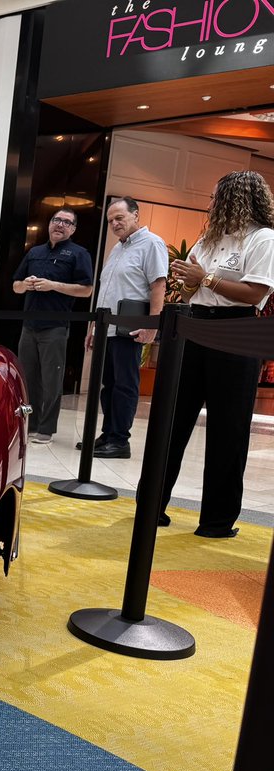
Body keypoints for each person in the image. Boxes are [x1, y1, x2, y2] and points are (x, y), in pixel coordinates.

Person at [157, 170, 274, 538]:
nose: (209, 203)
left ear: (234, 199)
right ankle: (151, 506)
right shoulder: (208, 239)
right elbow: (190, 293)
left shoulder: (263, 238)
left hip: (237, 331)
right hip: (195, 325)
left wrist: (205, 278)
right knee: (172, 420)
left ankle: (216, 521)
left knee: (229, 429)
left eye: (215, 196)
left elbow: (255, 294)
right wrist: (189, 283)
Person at [82, 197, 168, 459]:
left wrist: (153, 325)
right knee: (108, 385)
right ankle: (108, 434)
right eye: (111, 221)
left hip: (129, 330)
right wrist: (93, 327)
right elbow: (106, 291)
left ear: (136, 215)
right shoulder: (117, 248)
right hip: (106, 328)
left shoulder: (152, 243)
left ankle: (120, 440)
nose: (114, 224)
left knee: (125, 385)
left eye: (119, 218)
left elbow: (158, 285)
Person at [12, 208, 95, 444]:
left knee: (51, 381)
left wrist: (53, 285)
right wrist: (26, 284)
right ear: (49, 224)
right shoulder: (34, 252)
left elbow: (86, 290)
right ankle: (30, 423)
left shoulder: (79, 254)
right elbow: (15, 286)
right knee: (28, 379)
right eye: (56, 220)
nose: (60, 224)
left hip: (55, 326)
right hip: (29, 326)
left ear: (73, 229)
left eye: (67, 222)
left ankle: (46, 429)